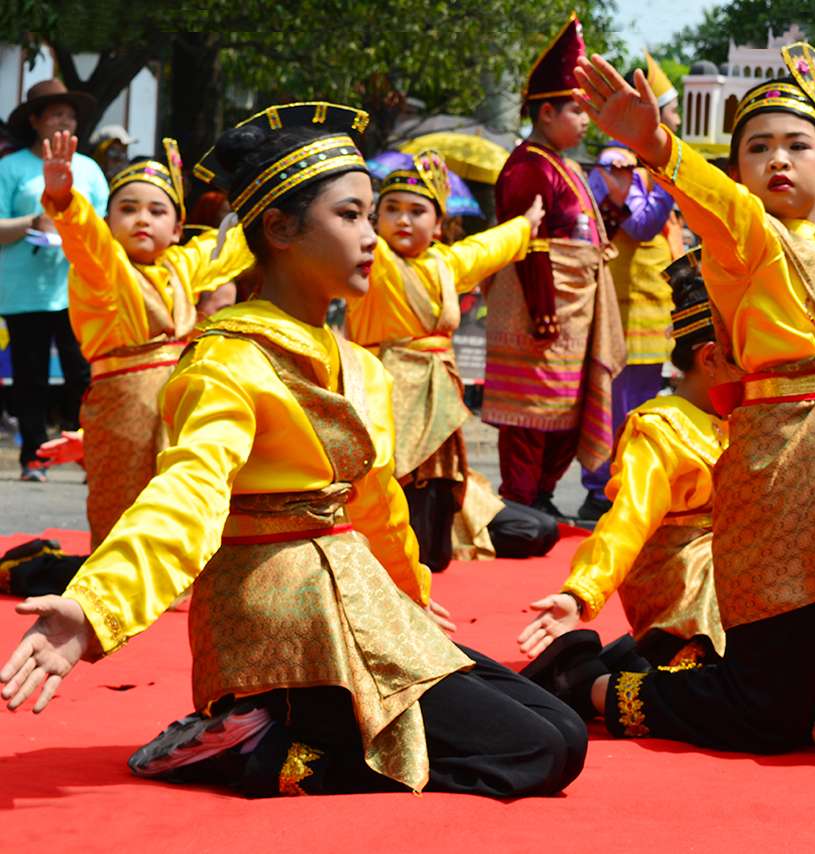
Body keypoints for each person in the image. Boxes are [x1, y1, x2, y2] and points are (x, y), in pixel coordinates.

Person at [0, 102, 586, 799]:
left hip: (360, 605)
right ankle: (248, 745)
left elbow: (375, 503)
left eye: (371, 214)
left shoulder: (356, 365)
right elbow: (187, 492)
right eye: (350, 215)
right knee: (538, 752)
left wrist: (410, 597)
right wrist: (92, 606)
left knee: (563, 729)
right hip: (275, 628)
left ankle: (281, 733)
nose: (373, 236)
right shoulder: (226, 362)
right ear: (278, 228)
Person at [526, 43, 815, 753]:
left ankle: (627, 667)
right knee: (768, 710)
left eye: (798, 145)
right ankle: (587, 683)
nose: (778, 159)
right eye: (758, 148)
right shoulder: (747, 243)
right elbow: (718, 203)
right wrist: (657, 147)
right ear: (738, 171)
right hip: (778, 468)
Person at [519, 249, 728, 670]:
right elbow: (626, 520)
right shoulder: (660, 428)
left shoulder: (742, 421)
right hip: (687, 582)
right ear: (709, 358)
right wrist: (582, 592)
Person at [40, 133, 251, 548]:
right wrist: (64, 199)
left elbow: (227, 247)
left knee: (184, 495)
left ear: (176, 229)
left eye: (156, 211)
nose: (142, 219)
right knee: (121, 499)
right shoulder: (106, 268)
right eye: (128, 209)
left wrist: (268, 199)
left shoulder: (180, 265)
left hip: (184, 401)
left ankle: (177, 577)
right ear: (108, 222)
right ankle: (113, 591)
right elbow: (85, 240)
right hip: (123, 404)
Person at [345, 150, 546, 571]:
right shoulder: (374, 262)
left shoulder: (443, 265)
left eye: (417, 211)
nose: (403, 219)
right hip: (385, 403)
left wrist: (524, 226)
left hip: (436, 399)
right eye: (391, 209)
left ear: (437, 225)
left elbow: (483, 249)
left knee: (506, 533)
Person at [482, 13, 626, 518]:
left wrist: (618, 206)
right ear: (545, 114)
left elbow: (584, 234)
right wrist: (543, 311)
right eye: (576, 110)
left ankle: (540, 497)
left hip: (574, 315)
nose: (586, 120)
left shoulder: (561, 163)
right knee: (530, 417)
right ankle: (522, 502)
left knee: (567, 413)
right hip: (540, 315)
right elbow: (530, 243)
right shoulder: (526, 166)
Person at [0, 79, 106, 482]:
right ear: (36, 121)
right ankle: (33, 455)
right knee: (30, 377)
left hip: (77, 288)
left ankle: (88, 451)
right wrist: (32, 221)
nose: (66, 121)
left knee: (82, 375)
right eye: (57, 114)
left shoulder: (90, 170)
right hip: (24, 290)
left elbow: (103, 229)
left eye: (71, 115)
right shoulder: (10, 169)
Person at [579, 134, 683, 520]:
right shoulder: (614, 161)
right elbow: (642, 225)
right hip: (617, 304)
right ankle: (604, 486)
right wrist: (669, 187)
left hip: (646, 306)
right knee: (612, 401)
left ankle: (628, 483)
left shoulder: (639, 170)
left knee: (638, 402)